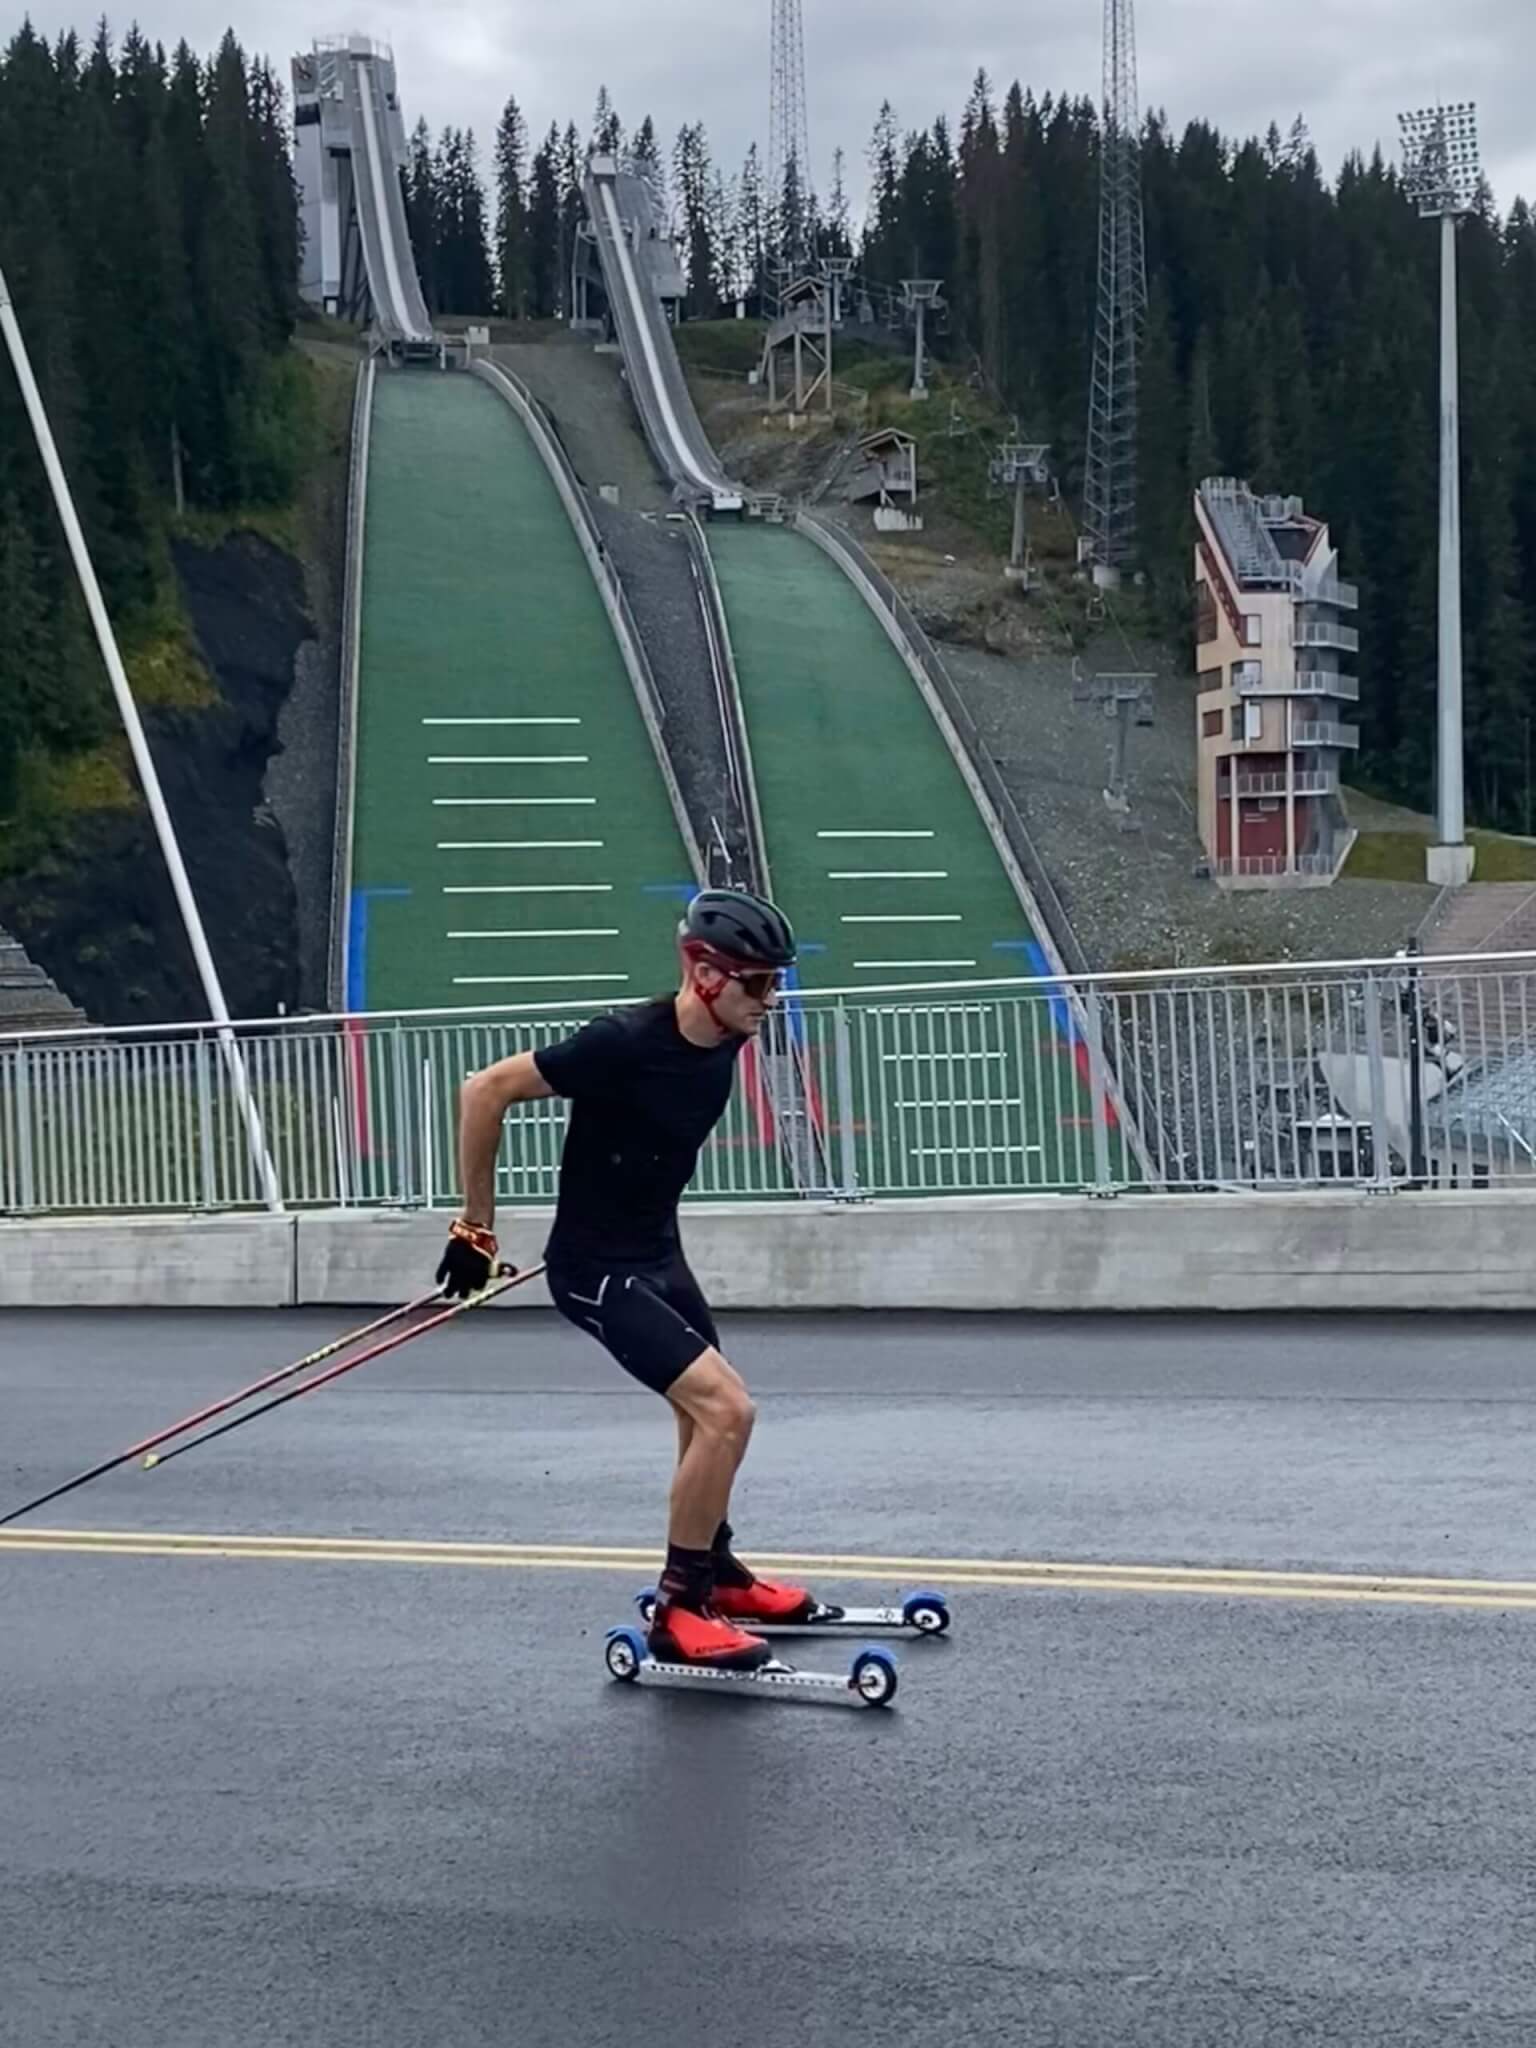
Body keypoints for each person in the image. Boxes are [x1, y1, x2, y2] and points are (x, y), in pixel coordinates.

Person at [436, 888, 816, 1672]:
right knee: (727, 1411)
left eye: (776, 984)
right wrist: (475, 1229)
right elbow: (484, 1090)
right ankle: (680, 1609)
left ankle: (716, 1572)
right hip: (595, 1271)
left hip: (659, 1257)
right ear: (702, 973)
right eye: (757, 983)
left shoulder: (726, 1033)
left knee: (699, 1418)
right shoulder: (621, 1042)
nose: (769, 1001)